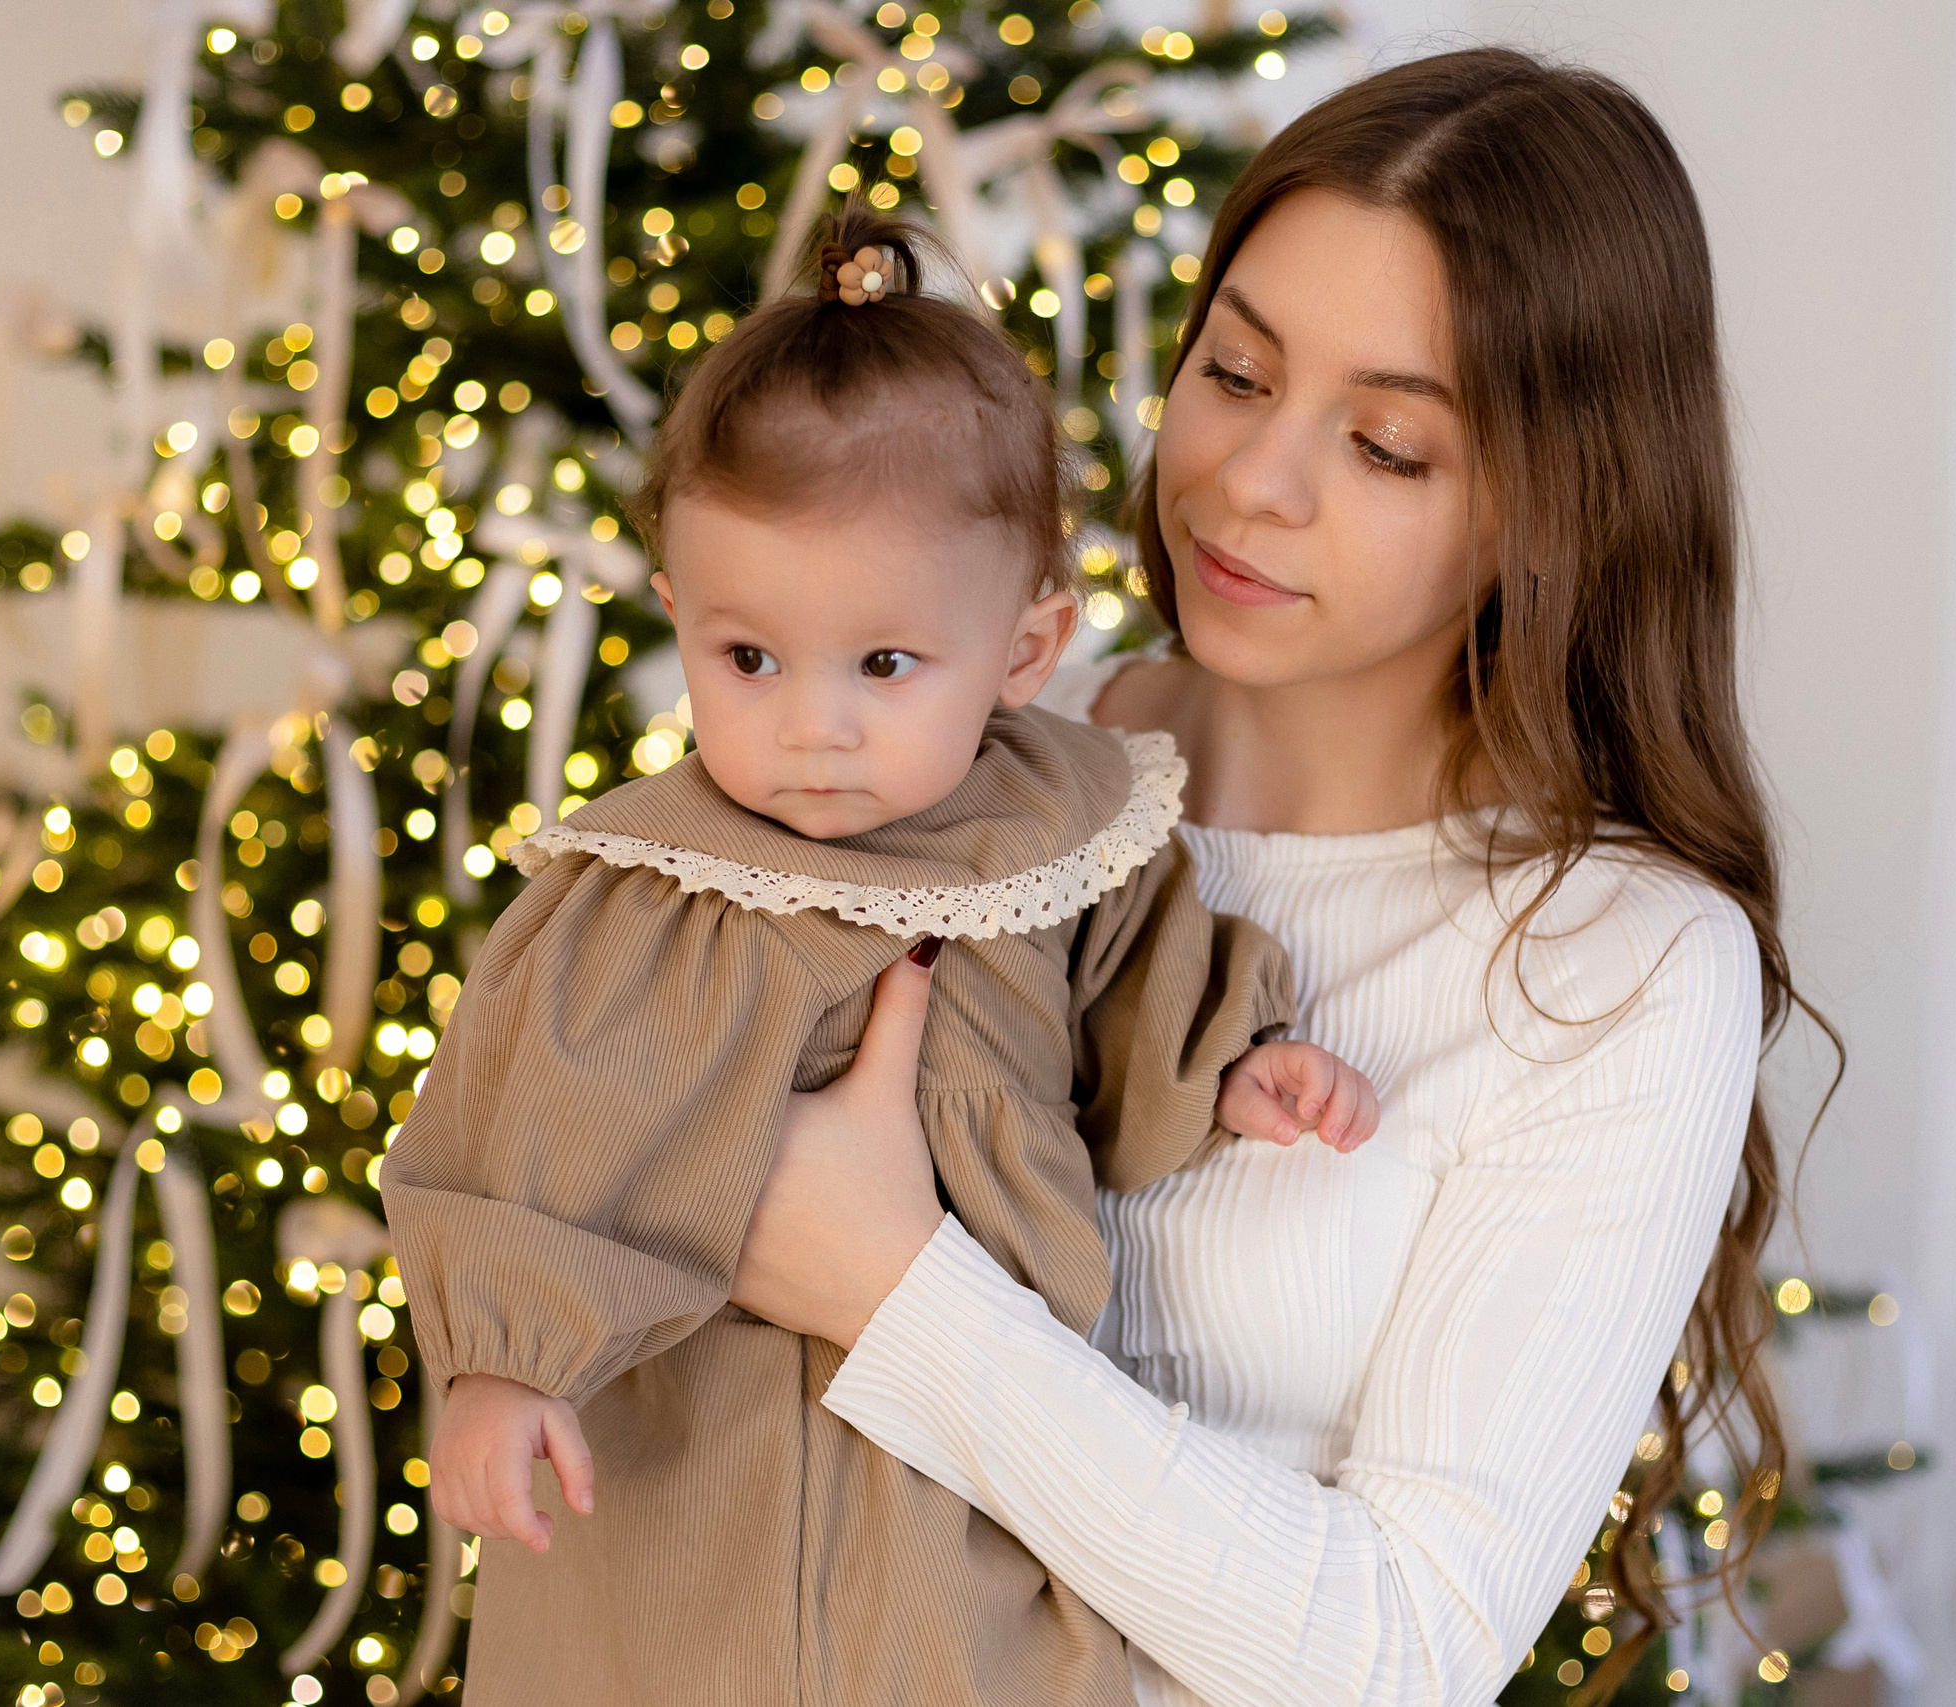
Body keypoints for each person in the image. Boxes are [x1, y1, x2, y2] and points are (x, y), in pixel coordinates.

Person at [727, 49, 1834, 1707]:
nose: (1254, 480)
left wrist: (891, 1289)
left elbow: (1406, 1652)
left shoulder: (1616, 961)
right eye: (1236, 374)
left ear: (1555, 505)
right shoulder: (971, 751)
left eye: (1385, 446)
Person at [380, 205, 1380, 1706]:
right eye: (749, 658)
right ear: (679, 617)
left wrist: (1232, 1064)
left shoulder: (1061, 828)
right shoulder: (661, 887)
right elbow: (530, 1124)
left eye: (885, 665)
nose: (812, 726)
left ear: (1027, 651)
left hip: (959, 1481)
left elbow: (1134, 986)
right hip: (695, 1498)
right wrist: (501, 1366)